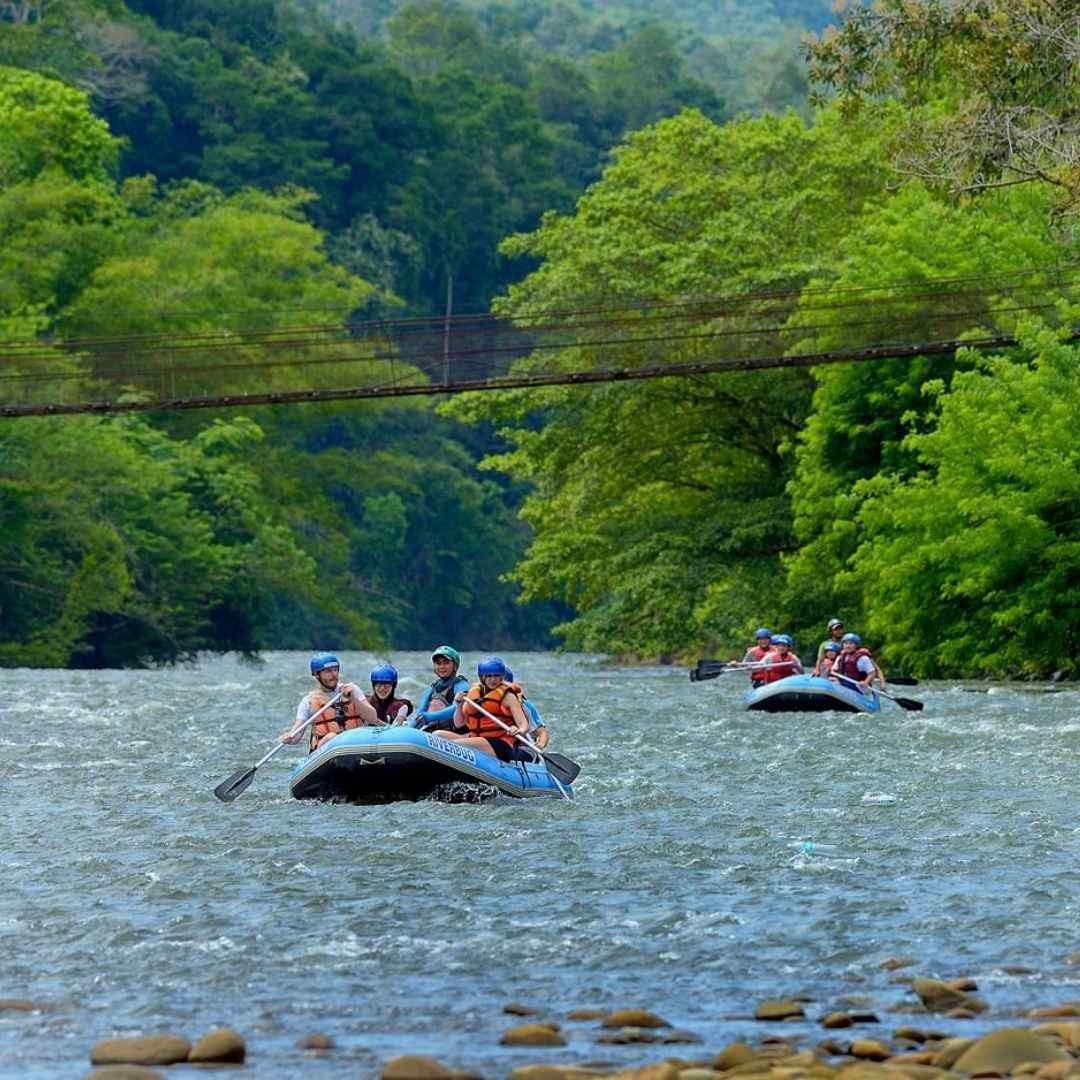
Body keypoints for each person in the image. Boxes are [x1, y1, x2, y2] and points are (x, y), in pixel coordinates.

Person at [282, 653, 377, 753]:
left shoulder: (352, 690)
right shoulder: (308, 702)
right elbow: (297, 735)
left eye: (335, 670)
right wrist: (288, 737)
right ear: (317, 675)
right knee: (331, 737)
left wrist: (353, 698)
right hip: (325, 751)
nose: (334, 674)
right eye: (328, 671)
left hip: (354, 747)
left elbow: (373, 718)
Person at [440, 656, 530, 761]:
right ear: (482, 677)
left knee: (452, 746)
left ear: (502, 677)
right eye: (489, 676)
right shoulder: (473, 693)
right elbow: (459, 724)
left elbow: (524, 726)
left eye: (496, 676)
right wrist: (459, 705)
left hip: (500, 743)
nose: (493, 679)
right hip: (475, 738)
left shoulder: (508, 696)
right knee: (438, 735)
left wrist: (517, 730)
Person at [411, 645, 470, 731]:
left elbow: (457, 708)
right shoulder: (431, 689)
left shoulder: (461, 685)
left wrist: (430, 717)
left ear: (455, 666)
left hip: (453, 732)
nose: (442, 667)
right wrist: (407, 729)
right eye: (438, 663)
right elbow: (420, 713)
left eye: (446, 663)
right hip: (432, 732)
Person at [505, 664, 549, 750]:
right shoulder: (482, 703)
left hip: (522, 749)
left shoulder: (525, 706)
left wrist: (540, 745)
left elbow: (542, 732)